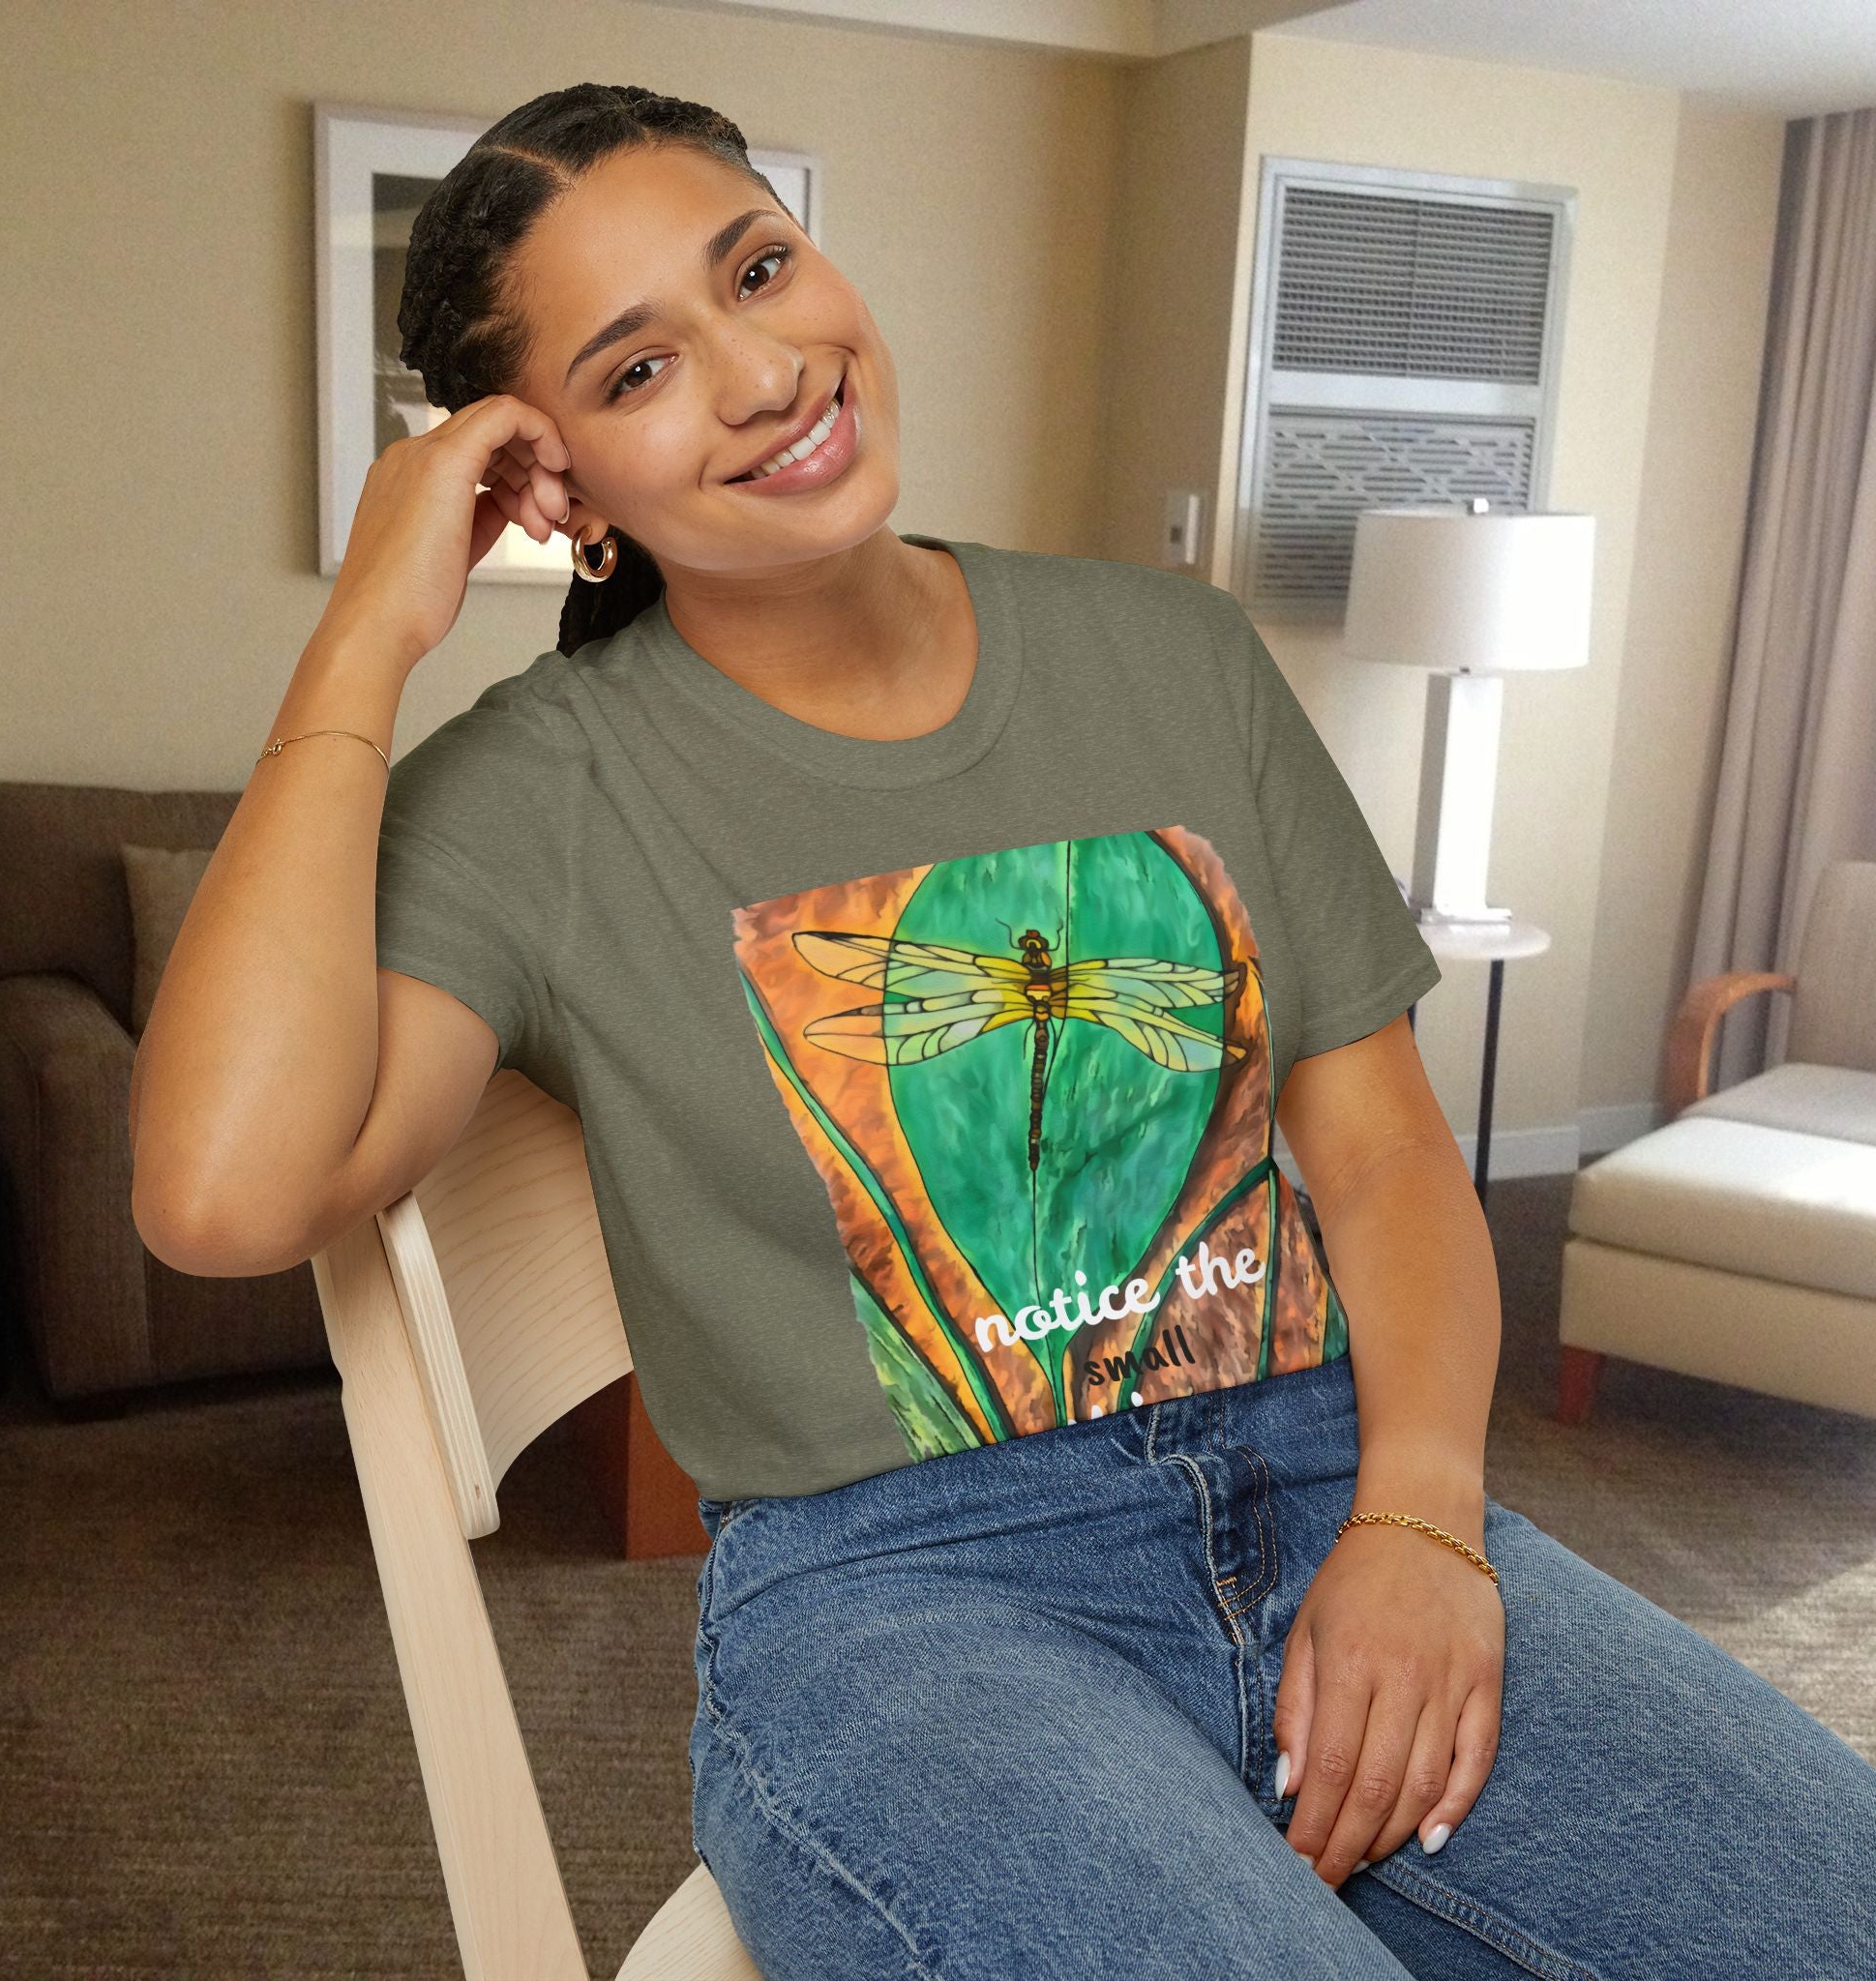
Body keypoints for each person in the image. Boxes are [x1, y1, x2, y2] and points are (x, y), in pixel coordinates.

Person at [128, 81, 1876, 1981]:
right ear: (561, 489)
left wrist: (1425, 1524)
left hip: (1325, 1475)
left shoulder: (1170, 656)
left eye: (760, 270)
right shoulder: (536, 795)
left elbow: (1380, 1157)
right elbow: (224, 1194)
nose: (762, 370)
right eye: (637, 370)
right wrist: (366, 635)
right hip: (907, 1602)